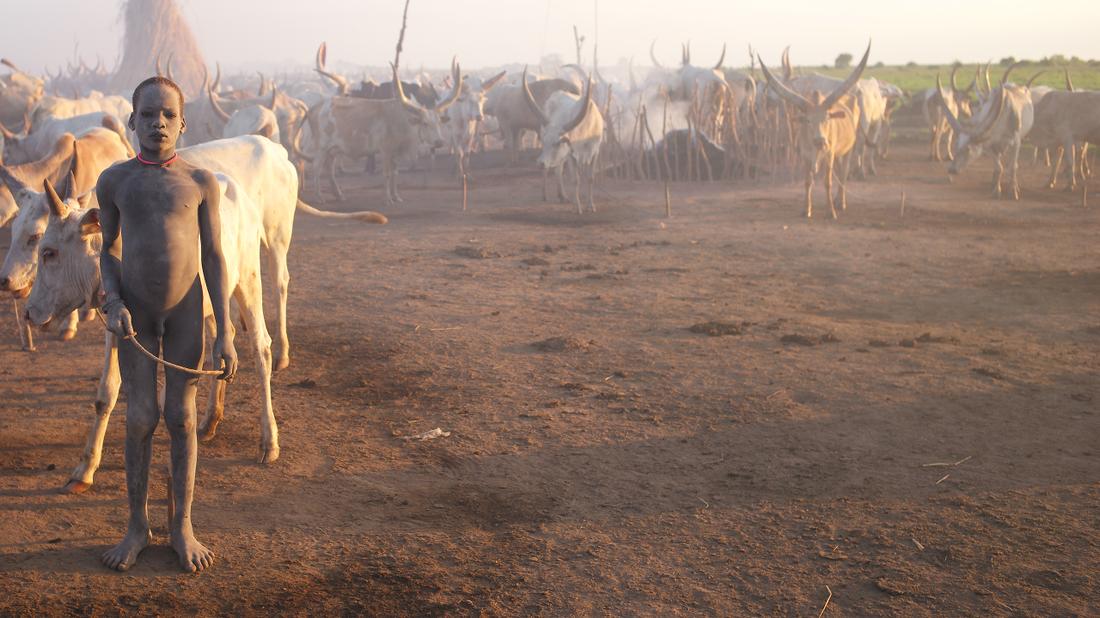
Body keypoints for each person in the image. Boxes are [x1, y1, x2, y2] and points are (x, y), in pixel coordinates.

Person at [96, 76, 237, 573]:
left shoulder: (200, 182)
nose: (158, 122)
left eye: (168, 115)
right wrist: (113, 301)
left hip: (185, 313)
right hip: (134, 315)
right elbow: (108, 251)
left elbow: (214, 257)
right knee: (139, 417)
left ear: (183, 124)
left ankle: (182, 527)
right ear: (131, 121)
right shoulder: (115, 181)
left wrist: (225, 331)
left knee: (181, 417)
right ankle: (137, 527)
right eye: (148, 114)